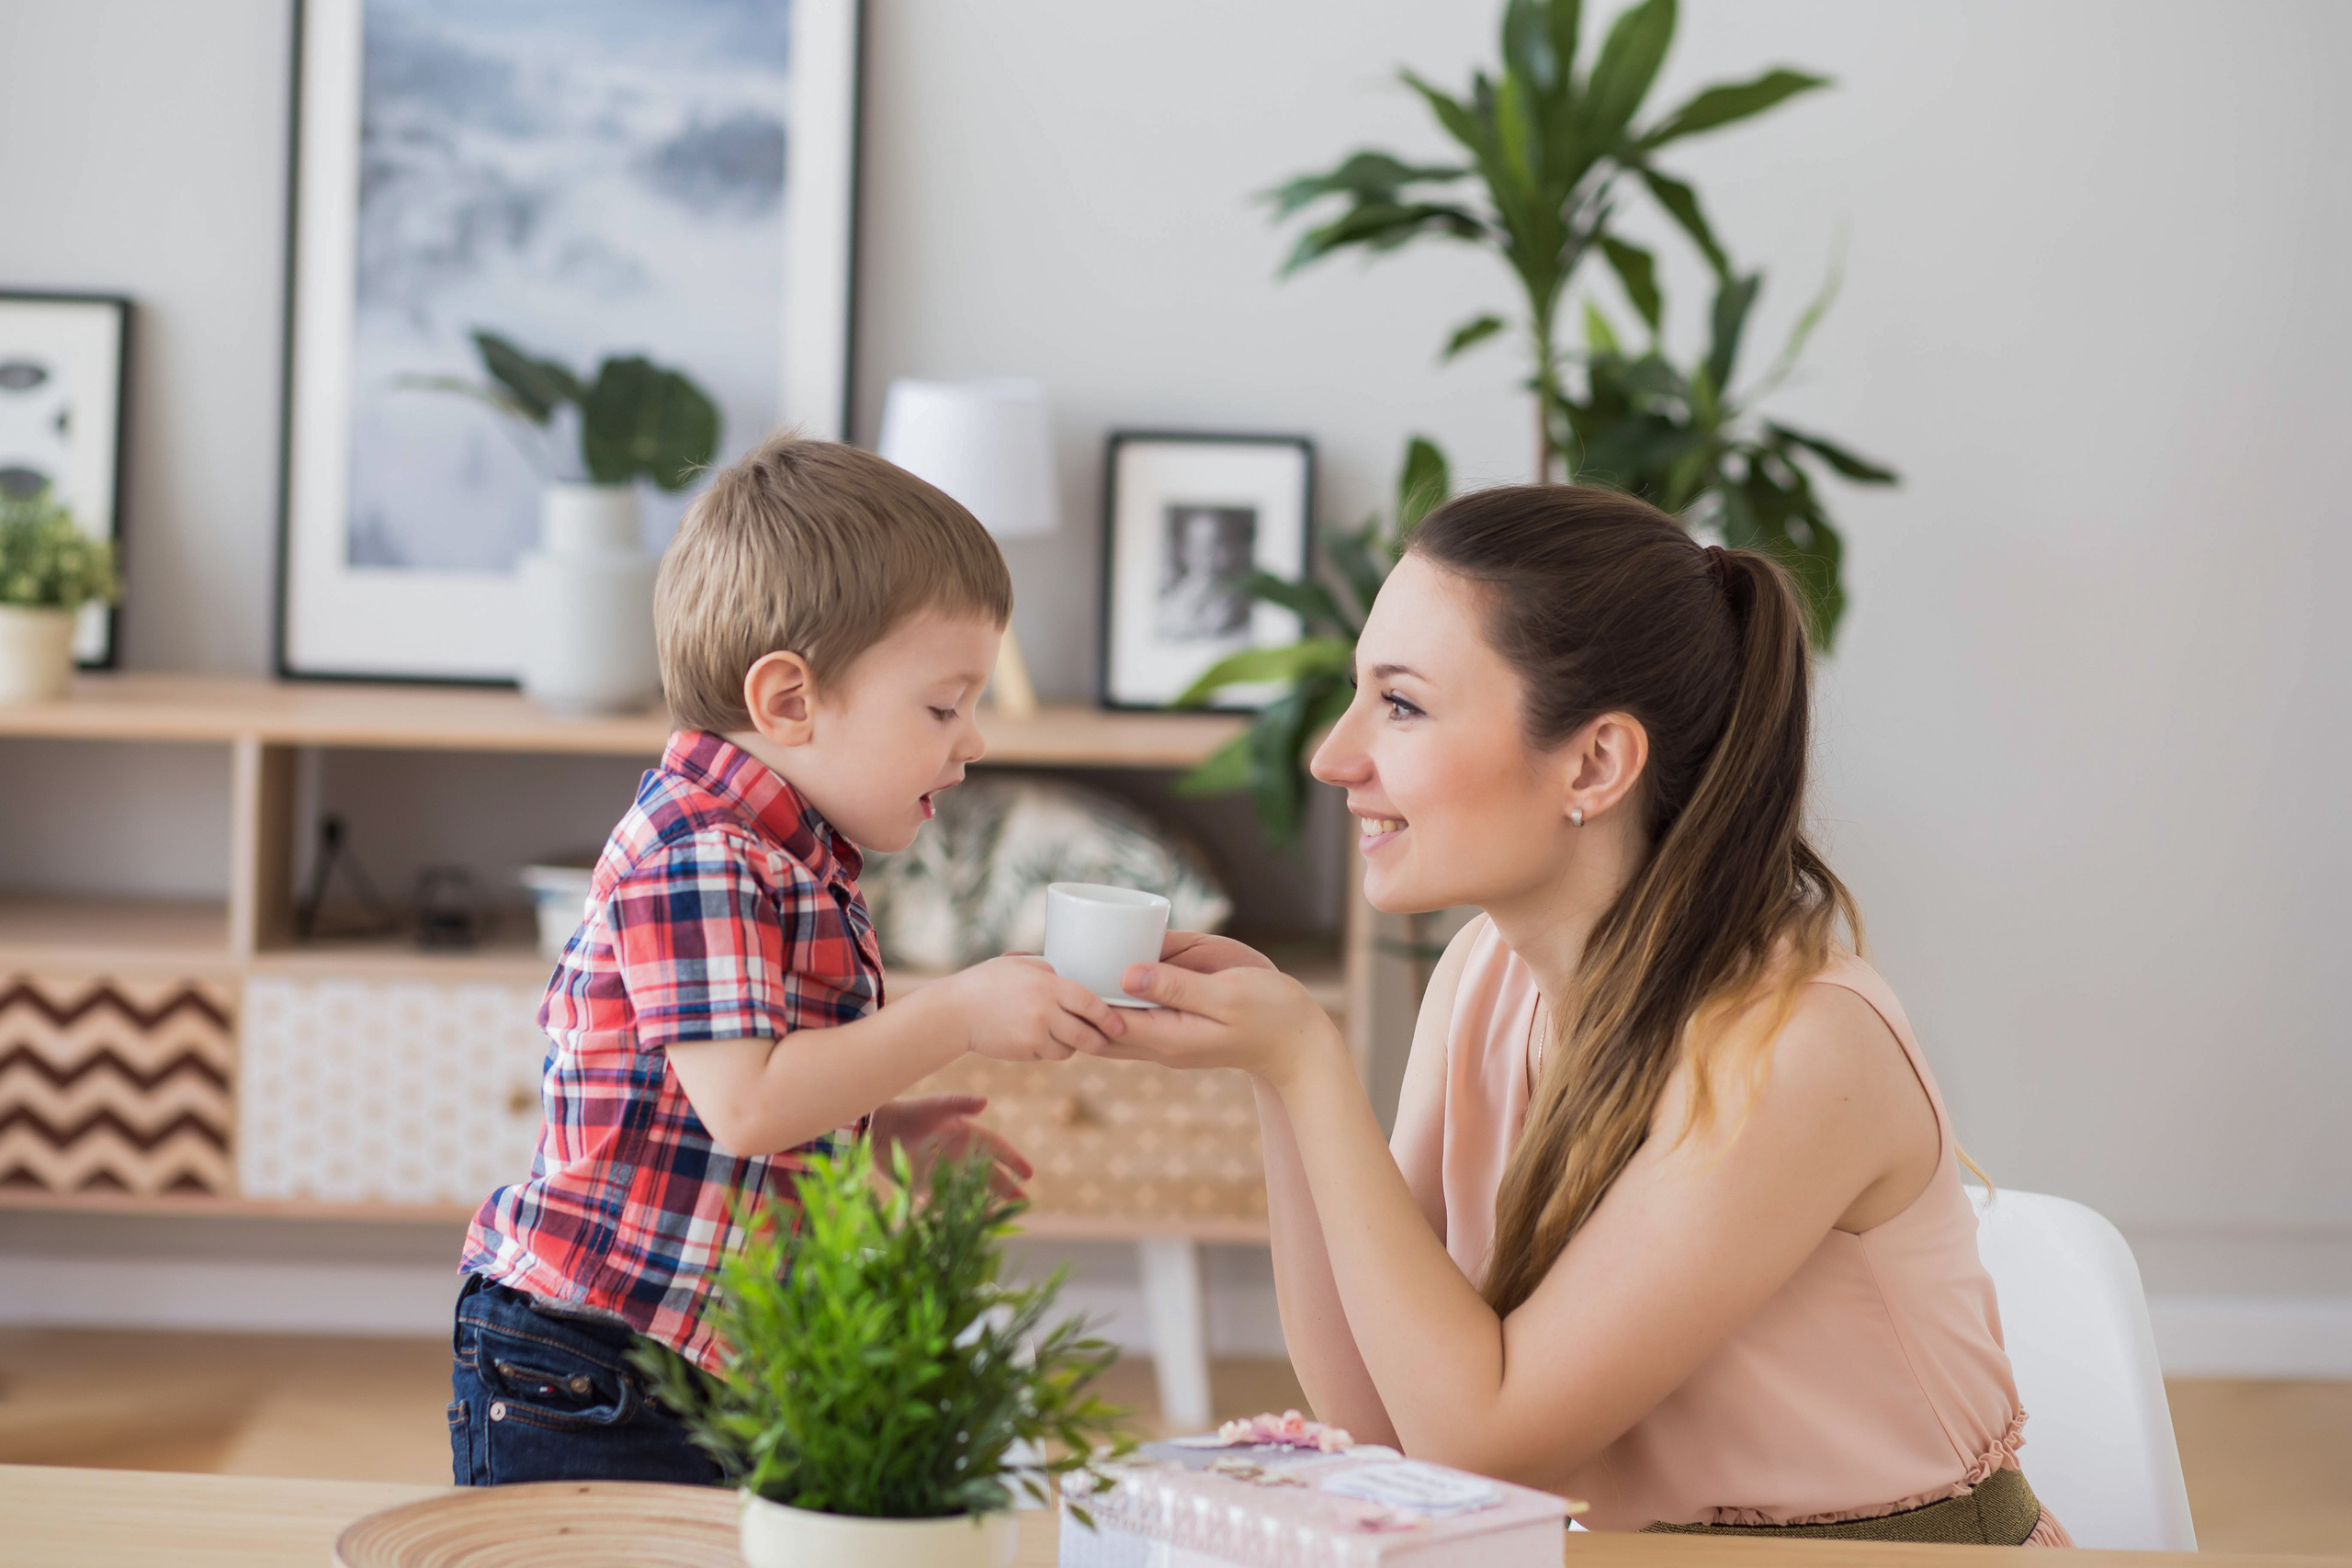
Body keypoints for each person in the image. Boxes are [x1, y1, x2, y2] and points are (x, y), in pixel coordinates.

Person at [1091, 484, 2073, 1545]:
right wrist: (1276, 1074)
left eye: (1402, 705)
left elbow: (1485, 1445)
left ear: (1595, 764)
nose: (1333, 756)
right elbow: (1381, 1426)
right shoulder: (1484, 974)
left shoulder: (1798, 1047)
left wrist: (1310, 1066)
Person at [450, 437, 1129, 1486]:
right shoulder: (701, 855)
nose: (974, 741)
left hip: (678, 1352)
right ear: (789, 702)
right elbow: (750, 1105)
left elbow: (720, 1123)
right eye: (944, 706)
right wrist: (956, 1013)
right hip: (594, 1362)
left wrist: (867, 1139)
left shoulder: (781, 856)